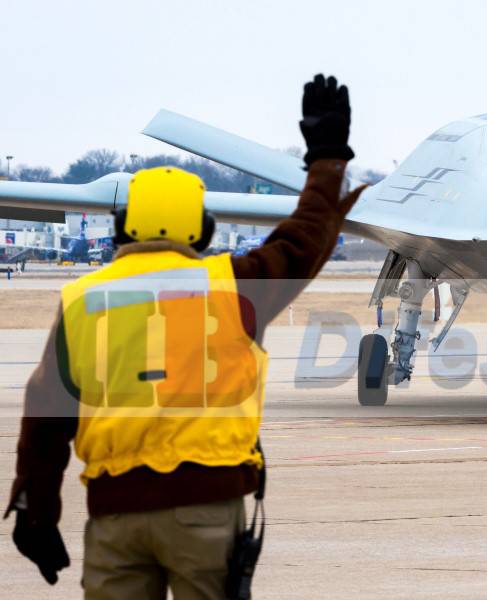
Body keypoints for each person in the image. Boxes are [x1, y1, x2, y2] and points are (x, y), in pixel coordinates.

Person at [6, 74, 362, 599]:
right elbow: (305, 236)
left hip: (116, 516)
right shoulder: (233, 287)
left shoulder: (82, 300)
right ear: (203, 230)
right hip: (206, 511)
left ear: (124, 227)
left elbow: (45, 419)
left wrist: (36, 513)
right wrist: (326, 161)